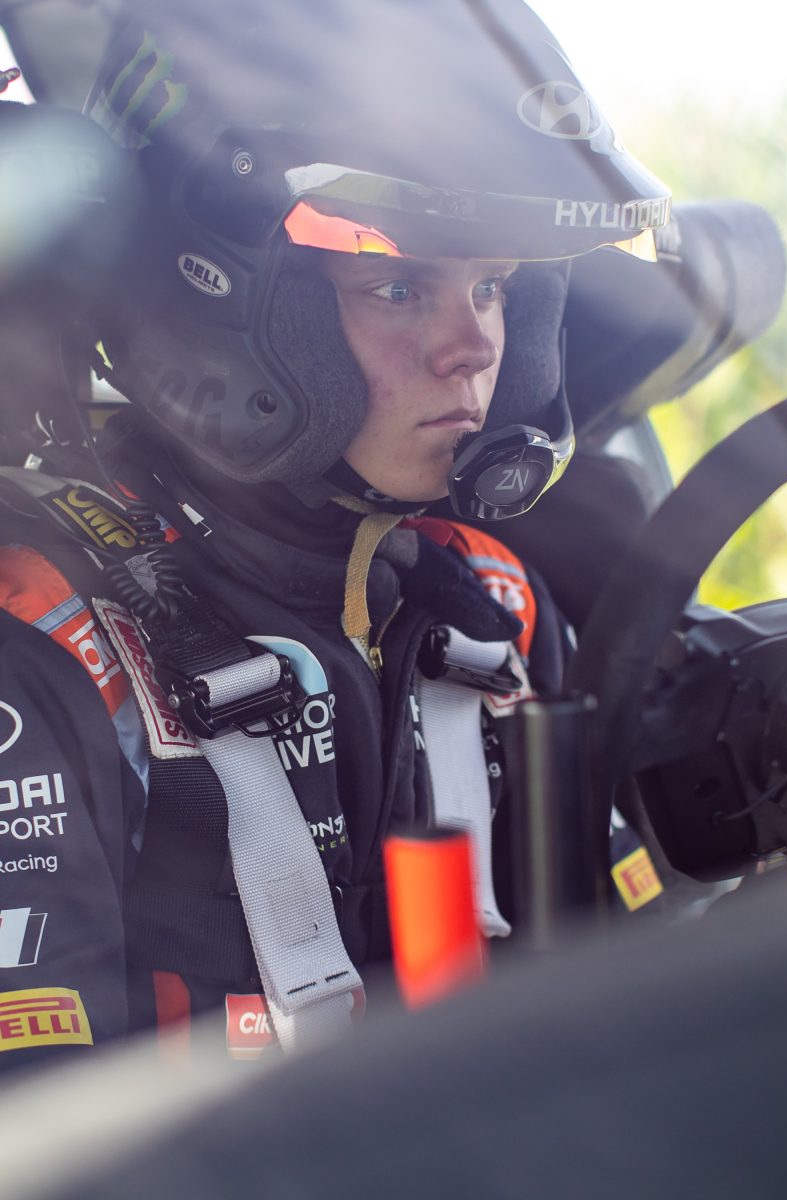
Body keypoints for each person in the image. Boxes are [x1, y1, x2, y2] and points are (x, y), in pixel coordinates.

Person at [0, 0, 673, 1068]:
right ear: (219, 303)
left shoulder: (492, 606)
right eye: (399, 287)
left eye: (494, 287)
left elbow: (654, 1010)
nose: (473, 349)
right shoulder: (48, 639)